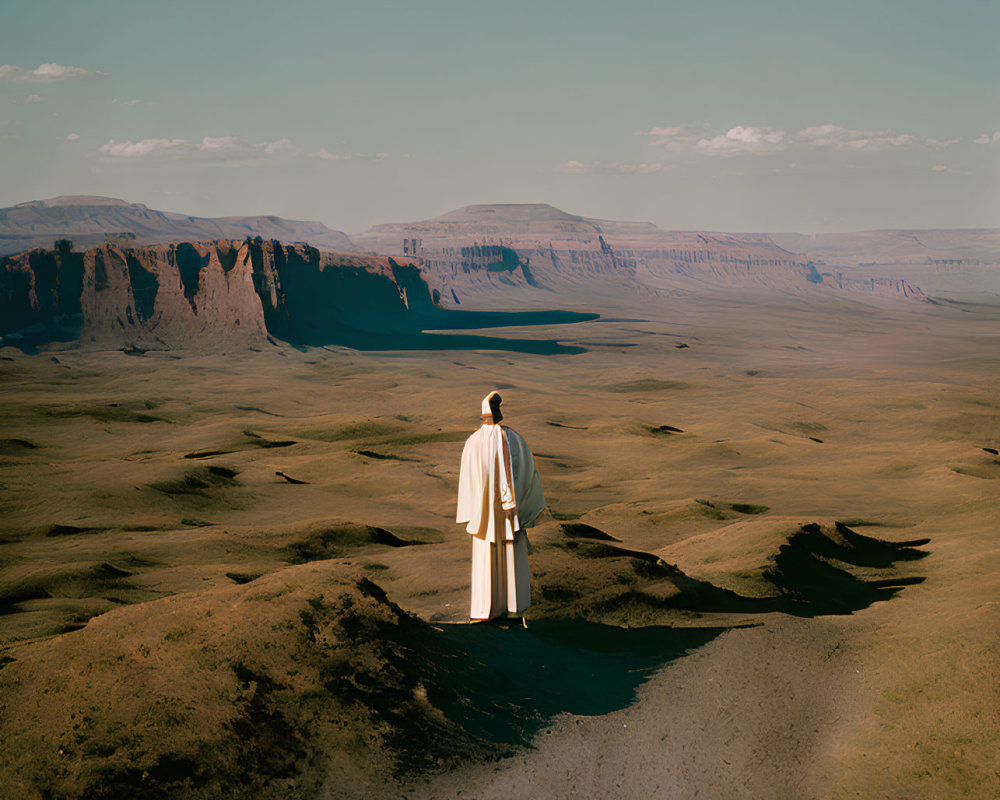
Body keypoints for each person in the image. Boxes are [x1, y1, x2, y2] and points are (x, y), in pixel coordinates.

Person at [456, 391, 545, 624]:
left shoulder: (474, 441)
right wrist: (513, 503)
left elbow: (470, 478)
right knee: (510, 553)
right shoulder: (512, 438)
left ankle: (487, 610)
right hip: (506, 511)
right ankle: (513, 608)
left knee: (489, 554)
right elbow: (521, 472)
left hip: (487, 511)